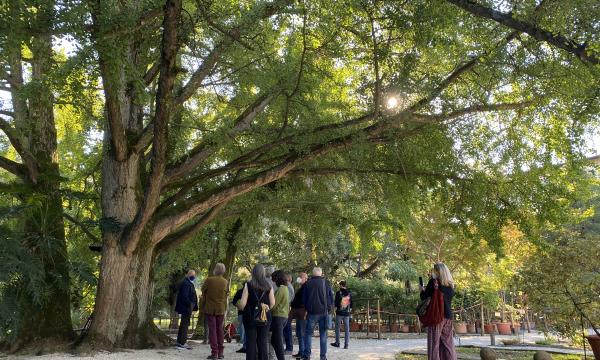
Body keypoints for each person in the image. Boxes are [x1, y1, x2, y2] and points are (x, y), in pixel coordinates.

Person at [237, 264, 276, 360]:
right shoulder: (269, 286)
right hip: (265, 316)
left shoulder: (248, 285)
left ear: (253, 273)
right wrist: (264, 307)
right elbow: (272, 303)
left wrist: (239, 305)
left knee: (251, 341)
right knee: (263, 341)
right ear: (263, 273)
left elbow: (242, 304)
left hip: (250, 317)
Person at [420, 262, 456, 360]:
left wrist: (422, 290)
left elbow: (424, 297)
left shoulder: (434, 282)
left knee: (434, 345)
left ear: (438, 271)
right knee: (448, 345)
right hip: (448, 318)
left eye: (434, 270)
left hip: (436, 317)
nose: (433, 272)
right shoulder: (451, 285)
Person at [302, 267, 333, 360]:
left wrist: (307, 308)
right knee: (323, 335)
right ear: (321, 273)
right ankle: (323, 357)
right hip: (323, 312)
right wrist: (328, 308)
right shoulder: (326, 283)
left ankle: (307, 356)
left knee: (308, 334)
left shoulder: (307, 283)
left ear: (313, 273)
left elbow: (303, 300)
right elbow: (331, 298)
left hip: (311, 313)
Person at [201, 263, 229, 360]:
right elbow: (226, 294)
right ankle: (221, 352)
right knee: (220, 330)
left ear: (215, 269)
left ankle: (214, 353)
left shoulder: (209, 280)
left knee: (212, 330)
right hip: (221, 308)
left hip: (210, 308)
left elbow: (202, 290)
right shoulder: (225, 281)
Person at [175, 269, 198, 349]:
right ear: (188, 274)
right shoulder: (186, 283)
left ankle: (179, 342)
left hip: (187, 307)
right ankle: (182, 342)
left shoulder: (187, 282)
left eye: (194, 275)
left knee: (183, 325)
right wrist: (190, 304)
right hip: (186, 308)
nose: (193, 276)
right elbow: (184, 296)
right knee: (185, 325)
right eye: (192, 275)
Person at [270, 270, 290, 360]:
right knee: (274, 340)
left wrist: (266, 308)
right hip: (284, 316)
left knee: (278, 341)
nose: (273, 283)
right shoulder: (286, 288)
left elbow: (274, 304)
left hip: (278, 316)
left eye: (274, 280)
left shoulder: (281, 289)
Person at [291, 272, 308, 358]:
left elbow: (302, 301)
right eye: (299, 277)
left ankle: (303, 352)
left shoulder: (305, 287)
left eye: (300, 277)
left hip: (301, 313)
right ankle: (301, 351)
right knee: (300, 333)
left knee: (301, 333)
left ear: (305, 278)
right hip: (299, 313)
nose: (299, 278)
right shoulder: (302, 287)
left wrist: (294, 304)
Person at [331, 280, 352, 349]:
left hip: (339, 313)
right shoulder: (349, 293)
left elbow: (336, 303)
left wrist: (334, 309)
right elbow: (351, 304)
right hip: (347, 313)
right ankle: (346, 344)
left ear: (341, 285)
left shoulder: (338, 293)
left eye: (339, 285)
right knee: (347, 329)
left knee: (337, 328)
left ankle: (337, 343)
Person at [232, 284, 247, 353]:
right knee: (241, 327)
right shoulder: (240, 292)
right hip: (241, 312)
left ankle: (245, 343)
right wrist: (238, 305)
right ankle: (243, 341)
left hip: (247, 312)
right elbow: (234, 301)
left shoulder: (250, 290)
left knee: (244, 327)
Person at [283, 274, 295, 355]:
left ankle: (289, 348)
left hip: (286, 311)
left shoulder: (289, 287)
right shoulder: (288, 286)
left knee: (287, 330)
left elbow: (288, 300)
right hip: (285, 310)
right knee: (286, 330)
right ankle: (288, 348)